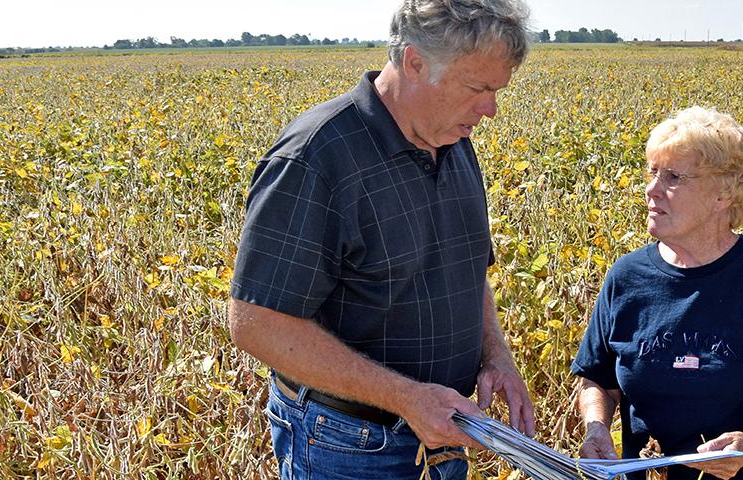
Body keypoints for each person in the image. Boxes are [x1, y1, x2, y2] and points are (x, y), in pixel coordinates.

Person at [227, 1, 536, 478]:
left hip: (444, 435)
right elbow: (258, 323)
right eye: (478, 88)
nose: (490, 110)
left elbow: (465, 270)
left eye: (497, 91)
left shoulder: (452, 141)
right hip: (348, 445)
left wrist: (495, 355)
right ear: (414, 62)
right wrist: (407, 397)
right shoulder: (316, 157)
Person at [571, 107, 743, 480]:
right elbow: (599, 381)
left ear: (723, 194)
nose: (651, 189)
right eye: (652, 172)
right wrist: (596, 427)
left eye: (672, 177)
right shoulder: (626, 277)